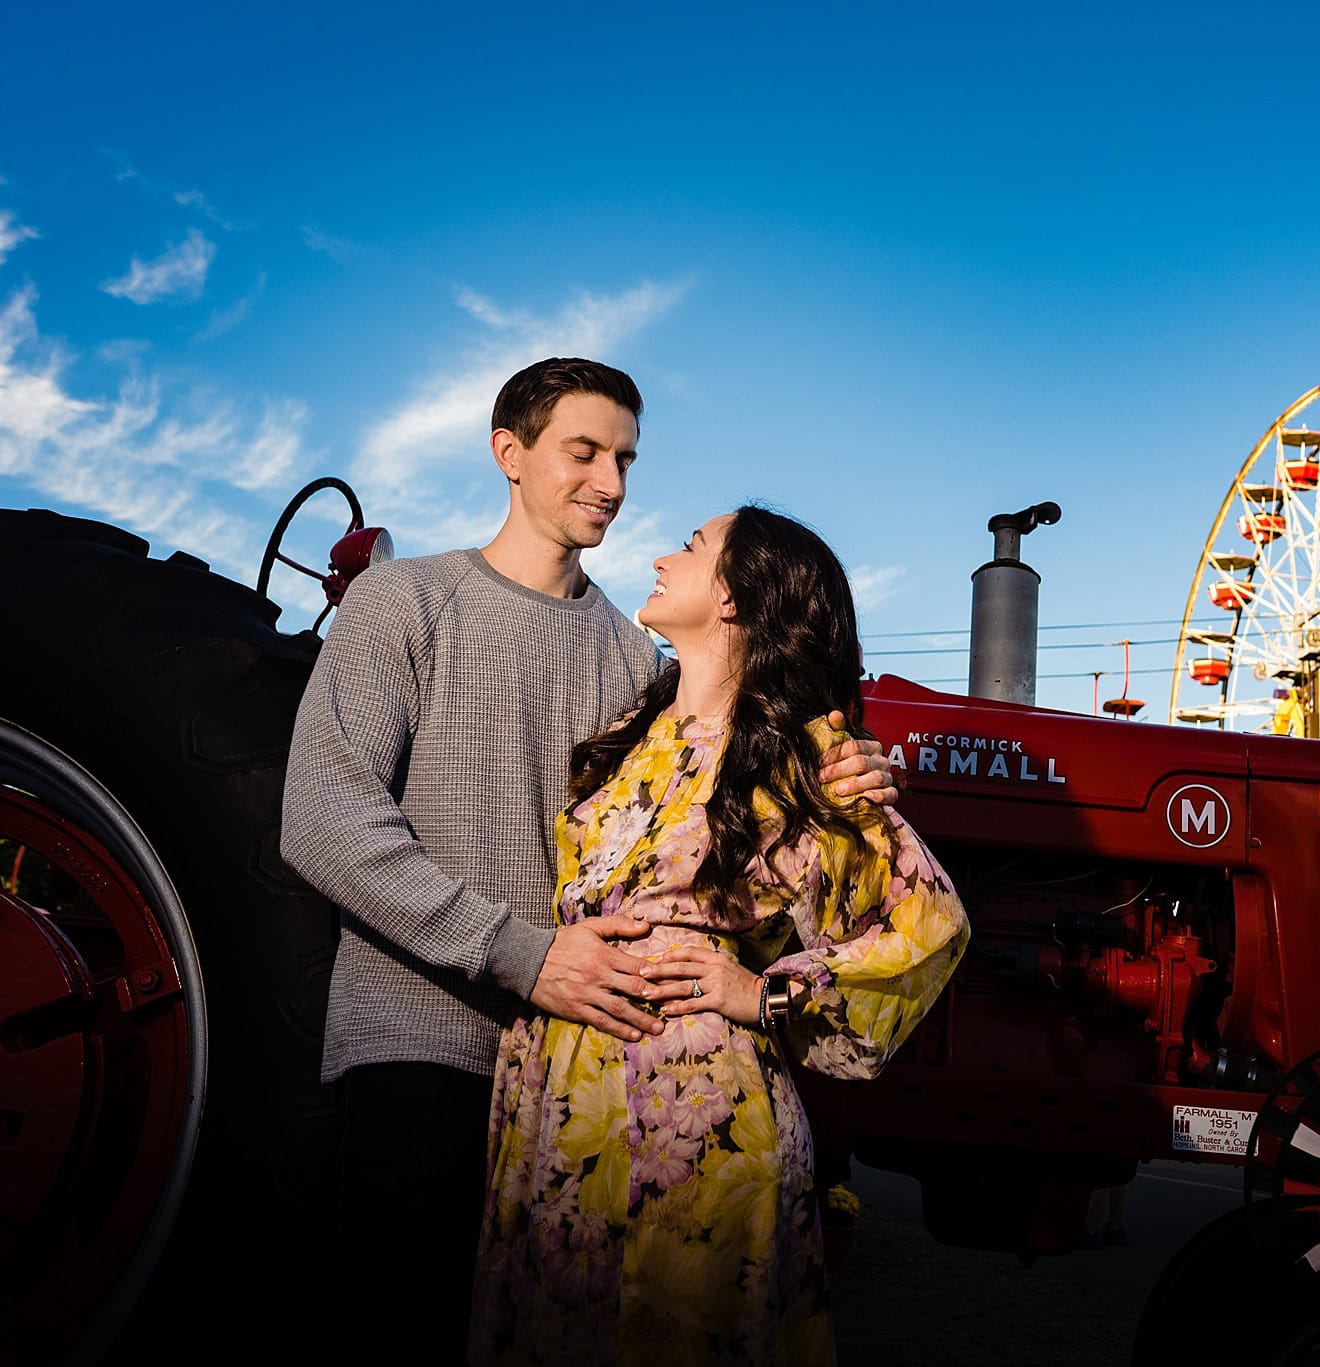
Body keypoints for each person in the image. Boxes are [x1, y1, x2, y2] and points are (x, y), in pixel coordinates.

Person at [279, 359, 896, 1362]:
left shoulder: (642, 662)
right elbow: (320, 812)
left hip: (584, 1070)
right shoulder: (403, 602)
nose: (609, 481)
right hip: (422, 1039)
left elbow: (743, 784)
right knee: (407, 1320)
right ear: (509, 453)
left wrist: (847, 762)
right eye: (583, 451)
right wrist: (521, 952)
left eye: (623, 458)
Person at [468, 506, 970, 1366]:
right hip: (557, 1096)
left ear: (736, 598)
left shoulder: (808, 756)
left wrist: (762, 990)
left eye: (694, 547)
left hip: (691, 1120)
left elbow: (932, 922)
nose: (665, 553)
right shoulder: (639, 727)